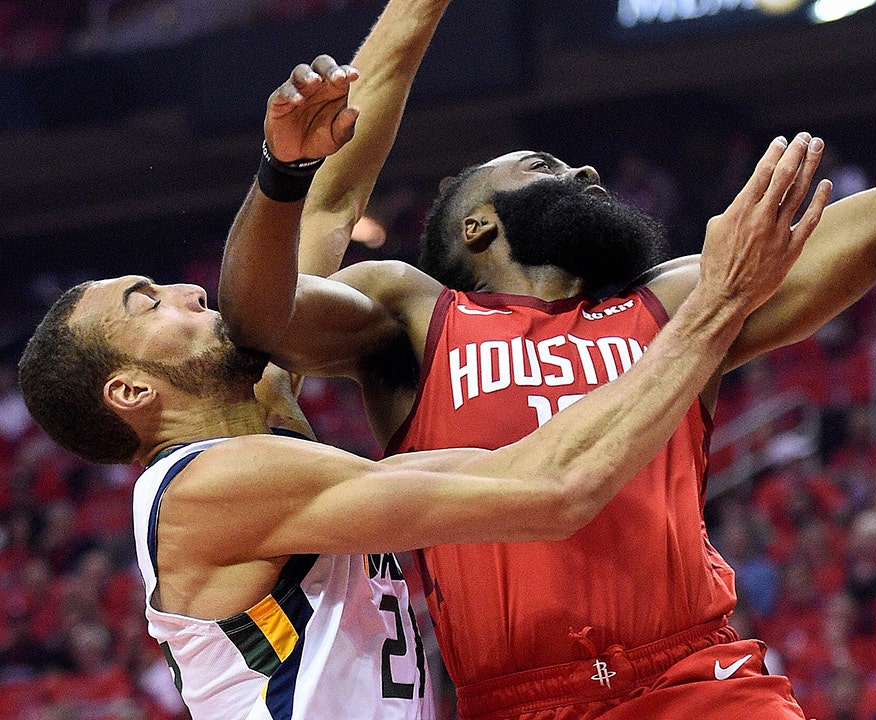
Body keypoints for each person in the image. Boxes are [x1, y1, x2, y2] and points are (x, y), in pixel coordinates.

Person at [218, 0, 876, 717]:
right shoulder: (413, 317)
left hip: (695, 676)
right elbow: (259, 315)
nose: (586, 172)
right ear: (476, 222)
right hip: (515, 697)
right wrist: (281, 177)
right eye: (545, 169)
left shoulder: (679, 300)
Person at [15, 43, 829, 720]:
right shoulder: (212, 486)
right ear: (131, 392)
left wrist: (303, 149)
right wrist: (714, 306)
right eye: (147, 302)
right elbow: (556, 486)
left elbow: (330, 202)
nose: (189, 291)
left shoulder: (270, 430)